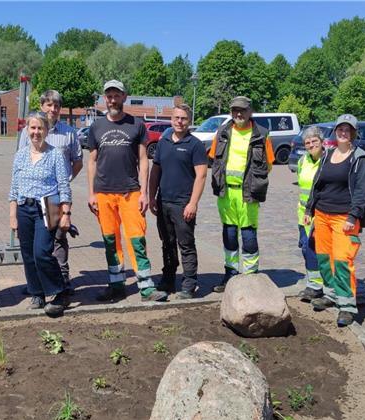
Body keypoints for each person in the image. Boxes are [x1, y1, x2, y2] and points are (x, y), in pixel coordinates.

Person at [87, 80, 168, 303]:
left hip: (130, 192)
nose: (113, 99)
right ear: (105, 99)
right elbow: (91, 161)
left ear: (124, 97)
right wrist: (91, 193)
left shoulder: (137, 125)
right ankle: (116, 285)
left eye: (117, 95)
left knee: (137, 239)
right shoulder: (97, 127)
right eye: (109, 96)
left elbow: (144, 160)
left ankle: (146, 287)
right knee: (110, 241)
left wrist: (144, 192)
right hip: (103, 193)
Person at [303, 114, 365, 327]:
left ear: (353, 133)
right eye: (340, 129)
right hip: (322, 214)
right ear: (335, 132)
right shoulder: (328, 155)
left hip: (344, 217)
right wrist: (310, 209)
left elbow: (362, 191)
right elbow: (318, 184)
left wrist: (354, 216)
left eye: (347, 130)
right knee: (325, 258)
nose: (343, 133)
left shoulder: (359, 158)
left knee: (343, 261)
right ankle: (331, 294)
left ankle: (347, 306)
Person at [17, 90, 82, 294]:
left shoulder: (69, 132)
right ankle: (37, 285)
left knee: (59, 238)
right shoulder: (30, 131)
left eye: (56, 106)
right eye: (49, 105)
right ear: (42, 106)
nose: (53, 109)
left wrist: (63, 181)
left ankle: (63, 280)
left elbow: (78, 161)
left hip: (56, 196)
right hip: (32, 198)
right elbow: (22, 160)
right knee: (37, 247)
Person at [208, 96, 274, 292]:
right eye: (235, 110)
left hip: (248, 194)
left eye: (242, 110)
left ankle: (251, 275)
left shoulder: (261, 134)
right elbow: (214, 159)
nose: (238, 114)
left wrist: (252, 182)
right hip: (226, 193)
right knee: (229, 234)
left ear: (250, 111)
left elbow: (268, 164)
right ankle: (230, 274)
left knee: (248, 234)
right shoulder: (222, 132)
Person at [9, 113, 72, 316]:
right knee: (27, 253)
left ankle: (59, 291)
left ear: (46, 131)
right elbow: (14, 187)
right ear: (27, 130)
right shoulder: (20, 155)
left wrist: (66, 213)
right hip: (23, 208)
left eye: (40, 129)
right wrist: (12, 214)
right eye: (32, 128)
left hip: (47, 208)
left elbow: (64, 186)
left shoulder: (55, 154)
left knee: (42, 252)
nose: (36, 133)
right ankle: (37, 293)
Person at [148, 104, 207, 299]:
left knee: (186, 245)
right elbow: (155, 171)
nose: (179, 122)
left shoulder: (195, 145)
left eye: (183, 118)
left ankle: (189, 284)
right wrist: (151, 196)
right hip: (164, 202)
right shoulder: (163, 142)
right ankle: (168, 279)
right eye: (176, 118)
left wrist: (193, 203)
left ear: (189, 121)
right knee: (167, 243)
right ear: (171, 119)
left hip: (183, 204)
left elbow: (201, 176)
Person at [296, 126, 325, 301]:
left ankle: (322, 285)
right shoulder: (302, 161)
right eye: (307, 142)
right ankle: (313, 284)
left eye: (315, 141)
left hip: (321, 213)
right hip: (303, 214)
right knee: (307, 249)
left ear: (322, 142)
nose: (311, 144)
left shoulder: (328, 160)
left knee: (318, 249)